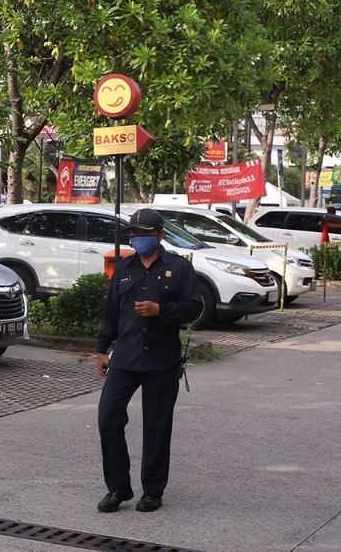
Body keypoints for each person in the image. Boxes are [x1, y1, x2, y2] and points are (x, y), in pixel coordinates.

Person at [95, 209, 202, 513]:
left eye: (144, 233)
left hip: (161, 360)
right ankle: (118, 488)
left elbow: (194, 307)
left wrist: (162, 311)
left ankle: (152, 491)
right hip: (124, 358)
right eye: (133, 234)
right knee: (107, 419)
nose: (138, 239)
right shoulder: (124, 268)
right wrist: (102, 348)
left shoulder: (179, 269)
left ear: (159, 235)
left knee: (156, 426)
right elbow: (111, 313)